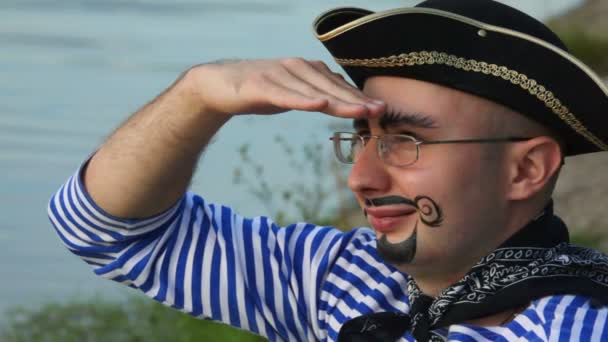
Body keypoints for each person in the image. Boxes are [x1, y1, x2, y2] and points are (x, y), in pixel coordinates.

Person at [48, 0, 608, 341]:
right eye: (364, 140)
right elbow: (107, 232)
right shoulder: (343, 278)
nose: (360, 179)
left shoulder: (575, 328)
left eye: (406, 142)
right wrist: (199, 96)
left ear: (526, 170)